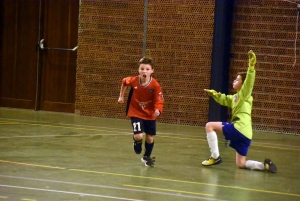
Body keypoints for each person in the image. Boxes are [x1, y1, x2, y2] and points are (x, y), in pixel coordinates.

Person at [202, 50, 277, 173]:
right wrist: (216, 95)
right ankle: (264, 166)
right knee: (241, 163)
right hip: (247, 135)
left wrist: (251, 67)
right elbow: (226, 99)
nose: (234, 81)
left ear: (243, 85)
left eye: (237, 80)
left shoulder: (244, 94)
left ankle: (215, 157)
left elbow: (249, 83)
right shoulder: (237, 98)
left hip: (239, 128)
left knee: (209, 126)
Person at [118, 57, 164, 167]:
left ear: (152, 71)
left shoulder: (155, 85)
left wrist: (158, 110)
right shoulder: (134, 80)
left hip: (149, 114)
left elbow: (159, 99)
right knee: (139, 135)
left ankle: (146, 157)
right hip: (136, 111)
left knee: (149, 138)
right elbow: (124, 82)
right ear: (138, 70)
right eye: (142, 69)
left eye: (147, 69)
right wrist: (121, 96)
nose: (144, 71)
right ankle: (136, 141)